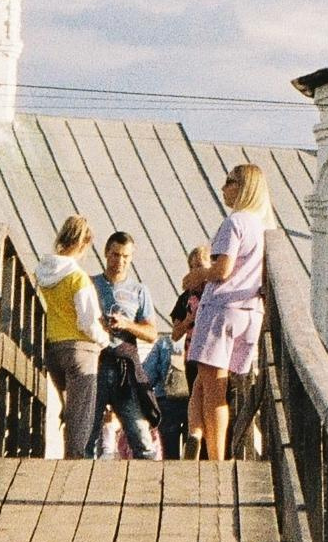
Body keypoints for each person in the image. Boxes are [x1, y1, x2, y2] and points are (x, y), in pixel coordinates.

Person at [186, 164, 271, 463]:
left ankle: (216, 458)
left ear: (243, 187)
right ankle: (195, 434)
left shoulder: (234, 222)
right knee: (205, 382)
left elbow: (223, 270)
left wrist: (197, 276)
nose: (223, 188)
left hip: (221, 310)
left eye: (229, 182)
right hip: (250, 313)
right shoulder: (263, 227)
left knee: (214, 392)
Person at [36, 212, 107, 459]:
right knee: (81, 414)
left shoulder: (41, 274)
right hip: (80, 349)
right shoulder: (78, 277)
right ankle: (74, 462)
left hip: (53, 349)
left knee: (70, 407)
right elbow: (87, 321)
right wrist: (104, 339)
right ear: (85, 243)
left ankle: (69, 455)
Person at [91, 230, 163, 461]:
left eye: (125, 256)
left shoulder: (139, 291)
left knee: (140, 435)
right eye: (115, 255)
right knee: (87, 434)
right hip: (97, 363)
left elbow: (151, 333)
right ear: (106, 253)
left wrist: (127, 324)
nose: (120, 261)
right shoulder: (91, 284)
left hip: (125, 367)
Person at [166, 247, 212, 457]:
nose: (195, 271)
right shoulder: (186, 299)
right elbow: (175, 334)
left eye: (199, 267)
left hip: (213, 354)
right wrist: (189, 320)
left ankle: (205, 443)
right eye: (191, 267)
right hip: (192, 355)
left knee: (210, 399)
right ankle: (196, 440)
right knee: (196, 395)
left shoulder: (216, 293)